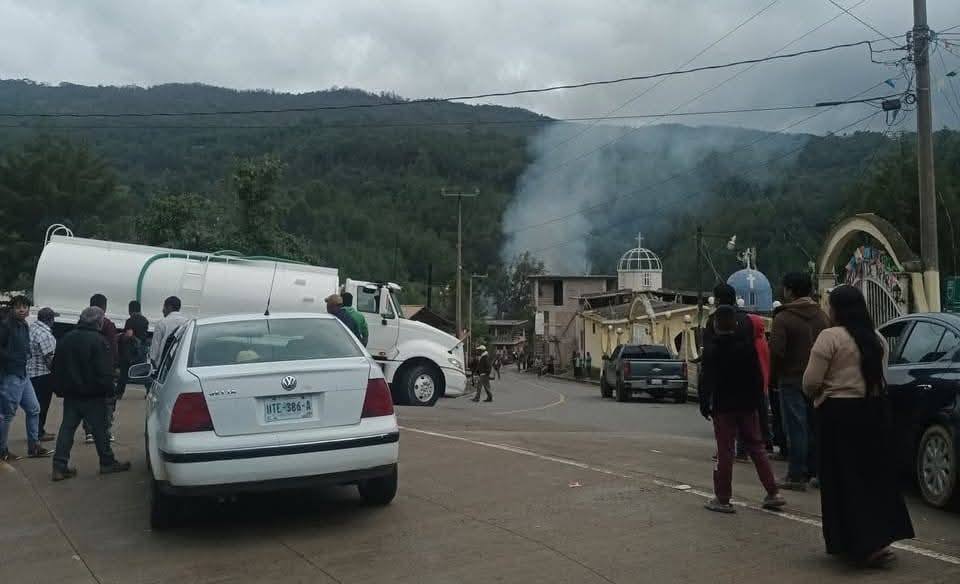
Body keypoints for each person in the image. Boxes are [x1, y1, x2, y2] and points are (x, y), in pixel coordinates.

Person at [802, 285, 914, 568]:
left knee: (842, 478)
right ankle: (878, 540)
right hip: (874, 412)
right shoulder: (876, 339)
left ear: (836, 309)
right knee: (873, 476)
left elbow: (810, 382)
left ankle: (854, 543)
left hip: (838, 415)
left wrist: (820, 395)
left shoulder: (830, 337)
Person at [700, 300, 785, 514]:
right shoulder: (747, 348)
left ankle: (723, 498)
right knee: (756, 446)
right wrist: (757, 401)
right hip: (748, 404)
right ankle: (773, 492)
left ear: (716, 325)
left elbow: (706, 380)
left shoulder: (713, 350)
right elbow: (758, 377)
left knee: (725, 450)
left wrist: (704, 403)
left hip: (723, 406)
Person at [51, 307, 131, 481]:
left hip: (71, 395)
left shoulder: (66, 338)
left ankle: (59, 467)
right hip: (93, 395)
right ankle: (107, 462)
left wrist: (60, 389)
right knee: (100, 430)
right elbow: (104, 371)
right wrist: (110, 391)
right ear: (99, 322)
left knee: (66, 430)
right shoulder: (99, 341)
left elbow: (56, 366)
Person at [770, 273, 830, 491]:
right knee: (816, 427)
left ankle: (796, 475)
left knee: (796, 428)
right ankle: (817, 472)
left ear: (789, 291)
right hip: (819, 379)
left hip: (791, 378)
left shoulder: (783, 318)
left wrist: (774, 377)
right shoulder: (822, 317)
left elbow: (776, 352)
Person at [0, 296, 53, 461]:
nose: (22, 310)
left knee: (34, 409)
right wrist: (12, 359)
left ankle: (34, 447)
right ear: (12, 309)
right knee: (7, 414)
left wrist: (26, 354)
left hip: (23, 374)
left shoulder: (24, 325)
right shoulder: (5, 326)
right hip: (10, 375)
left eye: (25, 307)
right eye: (18, 307)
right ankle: (2, 451)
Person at [85, 294, 119, 444]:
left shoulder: (82, 323)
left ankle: (89, 432)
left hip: (87, 370)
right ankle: (105, 431)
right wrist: (114, 367)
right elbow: (113, 349)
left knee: (88, 400)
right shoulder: (108, 325)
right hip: (105, 371)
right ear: (104, 307)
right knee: (107, 402)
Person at [29, 307, 60, 442]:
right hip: (43, 374)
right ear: (50, 320)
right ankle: (39, 432)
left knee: (34, 406)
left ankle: (34, 431)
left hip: (30, 372)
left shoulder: (32, 328)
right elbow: (50, 360)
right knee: (42, 405)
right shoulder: (46, 335)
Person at [116, 300, 149, 400]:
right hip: (141, 349)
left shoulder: (130, 320)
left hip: (130, 350)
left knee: (124, 373)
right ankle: (149, 391)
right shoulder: (145, 320)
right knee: (143, 372)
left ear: (130, 310)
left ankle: (119, 393)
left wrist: (121, 337)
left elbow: (128, 335)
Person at [150, 296, 188, 367]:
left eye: (164, 307)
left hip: (164, 367)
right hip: (181, 365)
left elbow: (154, 352)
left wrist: (155, 367)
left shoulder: (162, 323)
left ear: (169, 307)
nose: (162, 310)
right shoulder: (187, 323)